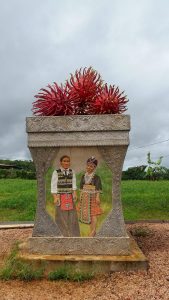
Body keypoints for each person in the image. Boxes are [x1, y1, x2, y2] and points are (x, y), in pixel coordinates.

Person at [51, 155, 80, 237]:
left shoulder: (72, 171)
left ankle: (73, 235)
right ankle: (62, 234)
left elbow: (73, 183)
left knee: (72, 216)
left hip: (70, 197)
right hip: (60, 197)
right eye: (64, 161)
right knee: (60, 216)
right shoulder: (56, 172)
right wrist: (55, 197)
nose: (66, 163)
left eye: (68, 161)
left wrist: (74, 193)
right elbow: (53, 186)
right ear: (61, 162)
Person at [78, 156, 103, 237]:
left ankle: (93, 230)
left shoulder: (96, 177)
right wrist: (80, 196)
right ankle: (91, 230)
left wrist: (97, 197)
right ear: (86, 165)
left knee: (93, 214)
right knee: (87, 214)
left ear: (94, 167)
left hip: (92, 197)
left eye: (91, 166)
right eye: (88, 165)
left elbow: (98, 188)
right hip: (84, 197)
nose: (89, 167)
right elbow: (81, 188)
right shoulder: (83, 176)